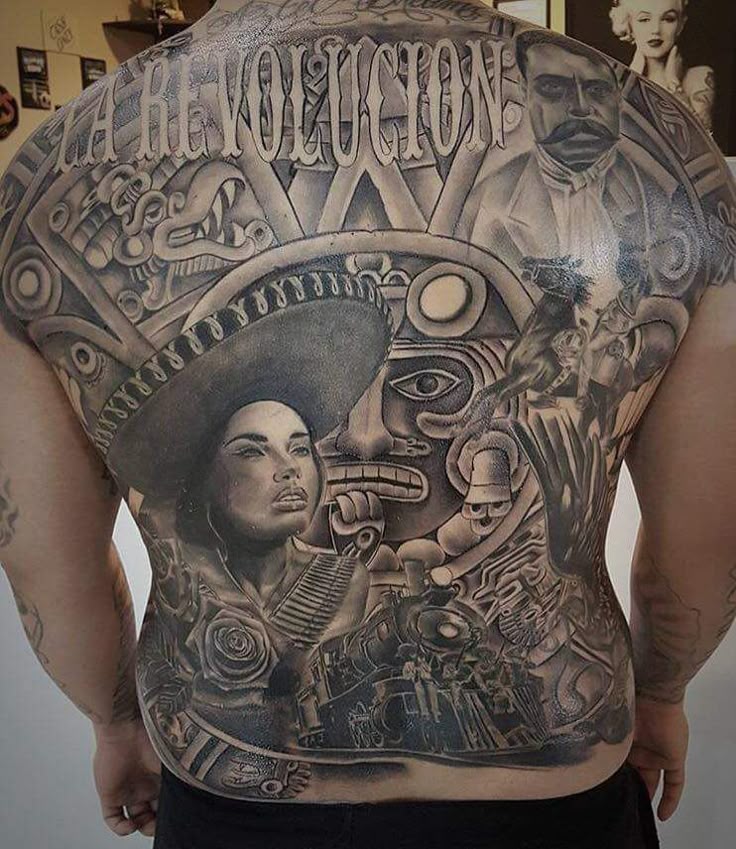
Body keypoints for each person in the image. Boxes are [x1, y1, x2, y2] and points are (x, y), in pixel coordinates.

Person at [0, 2, 735, 848]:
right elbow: (709, 531)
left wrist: (117, 722)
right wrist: (661, 693)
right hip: (552, 780)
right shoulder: (663, 153)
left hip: (237, 784)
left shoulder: (53, 174)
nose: (366, 436)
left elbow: (47, 559)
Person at [609, 0, 715, 131]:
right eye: (644, 19)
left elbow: (702, 139)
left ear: (681, 25)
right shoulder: (612, 80)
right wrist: (632, 77)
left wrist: (674, 84)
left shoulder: (700, 77)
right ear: (628, 25)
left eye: (668, 19)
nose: (656, 30)